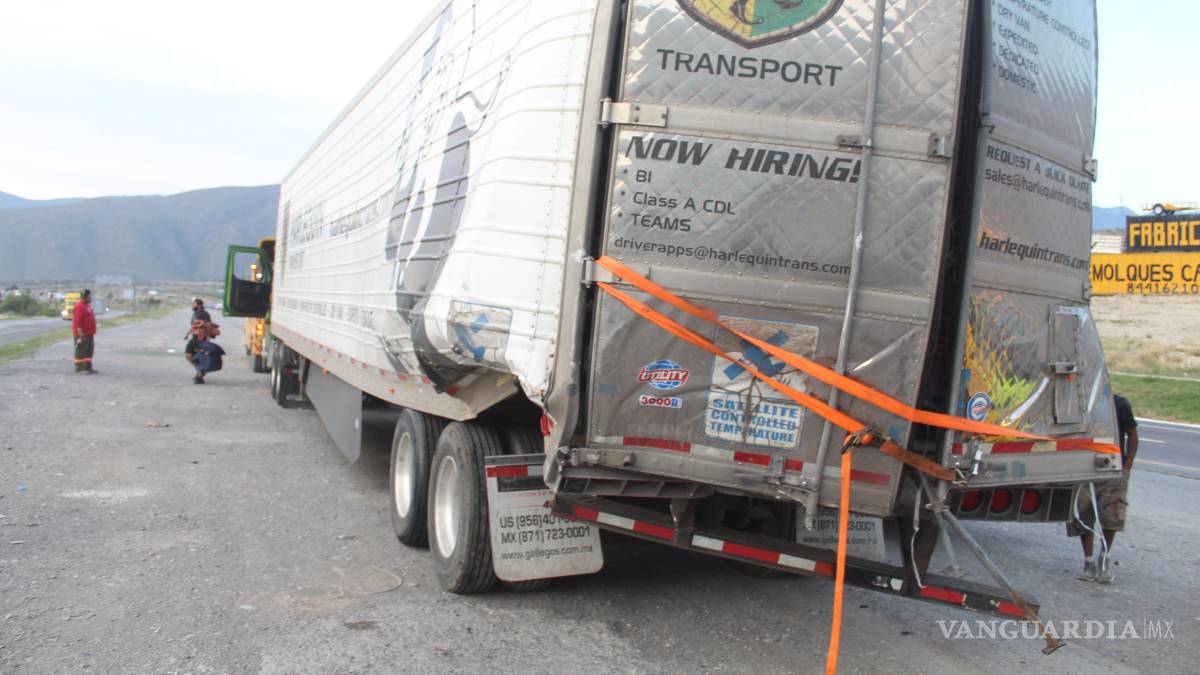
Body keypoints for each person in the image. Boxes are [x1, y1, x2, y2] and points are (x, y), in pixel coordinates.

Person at [1068, 394, 1138, 584]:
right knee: (1082, 514)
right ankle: (1088, 561)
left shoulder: (1119, 404)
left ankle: (1104, 556)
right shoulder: (1077, 401)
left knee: (1112, 513)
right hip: (1083, 466)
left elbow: (1132, 434)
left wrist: (1127, 467)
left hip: (1112, 467)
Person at [185, 320, 225, 384]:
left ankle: (199, 375)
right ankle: (199, 375)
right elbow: (214, 334)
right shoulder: (206, 326)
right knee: (203, 361)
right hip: (201, 345)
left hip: (193, 345)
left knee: (198, 361)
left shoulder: (196, 327)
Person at [71, 289, 97, 374]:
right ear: (85, 297)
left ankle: (87, 367)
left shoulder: (87, 306)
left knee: (89, 350)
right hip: (82, 334)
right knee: (81, 350)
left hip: (89, 334)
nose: (91, 298)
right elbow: (77, 322)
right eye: (89, 296)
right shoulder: (79, 306)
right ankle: (79, 368)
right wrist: (81, 334)